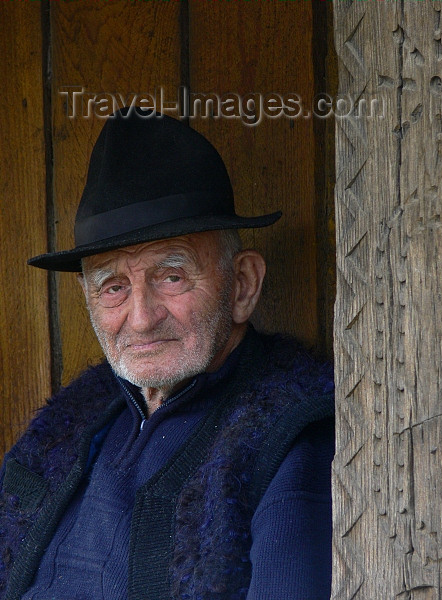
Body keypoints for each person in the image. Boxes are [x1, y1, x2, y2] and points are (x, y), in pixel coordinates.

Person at [0, 108, 334, 600]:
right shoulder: (71, 422)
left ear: (242, 284)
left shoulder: (289, 438)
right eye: (113, 287)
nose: (140, 318)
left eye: (171, 276)